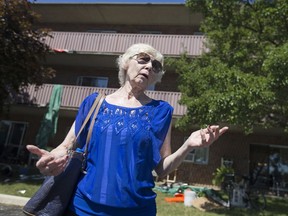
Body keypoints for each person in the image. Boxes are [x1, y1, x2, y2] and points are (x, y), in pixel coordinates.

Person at [27, 43, 228, 216]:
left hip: (137, 209)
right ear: (125, 62)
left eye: (155, 65)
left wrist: (188, 145)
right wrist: (51, 159)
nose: (149, 66)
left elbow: (161, 168)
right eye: (143, 59)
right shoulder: (94, 103)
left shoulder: (161, 111)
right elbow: (66, 146)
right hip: (84, 207)